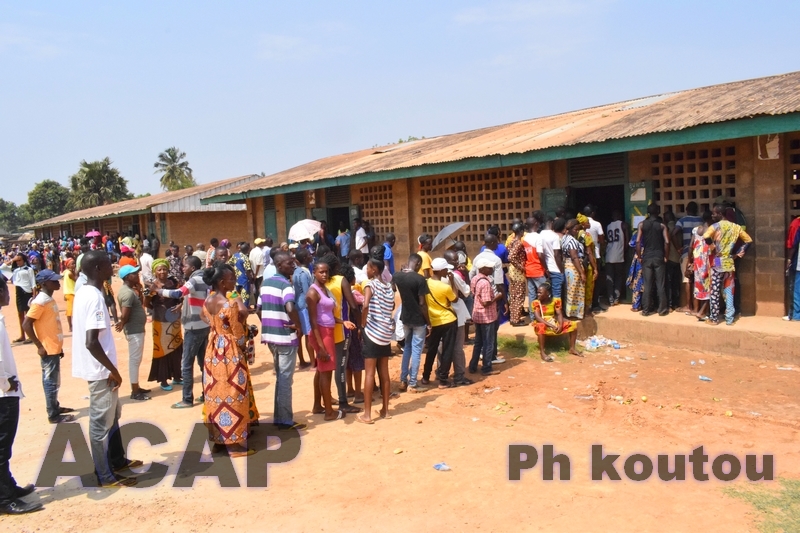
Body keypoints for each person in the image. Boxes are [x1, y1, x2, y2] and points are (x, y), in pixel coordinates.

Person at [71, 250, 141, 487]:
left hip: (101, 369)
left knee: (113, 418)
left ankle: (117, 460)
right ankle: (105, 474)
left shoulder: (85, 292)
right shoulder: (93, 297)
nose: (112, 268)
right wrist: (113, 370)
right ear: (97, 269)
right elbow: (91, 342)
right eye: (107, 265)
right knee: (101, 425)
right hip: (102, 372)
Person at [202, 263, 258, 456]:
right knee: (234, 393)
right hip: (229, 352)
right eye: (231, 279)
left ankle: (218, 440)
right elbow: (238, 333)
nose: (234, 281)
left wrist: (216, 330)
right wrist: (244, 343)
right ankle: (234, 445)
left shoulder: (208, 300)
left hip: (212, 351)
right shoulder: (230, 304)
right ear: (222, 282)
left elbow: (205, 318)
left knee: (215, 394)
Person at [0, 273, 43, 514]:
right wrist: (7, 385)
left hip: (5, 392)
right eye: (5, 289)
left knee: (4, 448)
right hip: (3, 396)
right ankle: (5, 499)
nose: (9, 292)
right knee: (1, 448)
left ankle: (9, 487)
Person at [152, 256, 210, 408]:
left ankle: (187, 399)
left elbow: (178, 293)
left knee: (186, 364)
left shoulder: (194, 280)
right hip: (204, 325)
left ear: (192, 267)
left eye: (184, 266)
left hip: (193, 327)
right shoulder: (205, 279)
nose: (182, 268)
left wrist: (158, 291)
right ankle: (207, 394)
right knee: (203, 362)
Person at [22, 269, 76, 423]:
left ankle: (55, 406)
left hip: (53, 346)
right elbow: (27, 324)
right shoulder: (40, 301)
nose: (57, 282)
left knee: (54, 380)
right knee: (50, 381)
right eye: (53, 281)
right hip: (47, 348)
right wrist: (39, 345)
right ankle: (53, 414)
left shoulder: (48, 299)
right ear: (44, 283)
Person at [260, 251, 306, 430]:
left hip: (270, 337)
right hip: (285, 337)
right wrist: (298, 325)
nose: (293, 265)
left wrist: (269, 323)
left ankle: (280, 416)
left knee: (281, 377)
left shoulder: (265, 283)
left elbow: (258, 308)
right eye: (289, 263)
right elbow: (289, 306)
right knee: (285, 379)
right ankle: (285, 420)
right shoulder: (286, 285)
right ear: (279, 266)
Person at [307, 262, 352, 422]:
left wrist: (342, 322)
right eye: (321, 272)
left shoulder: (324, 289)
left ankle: (318, 406)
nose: (325, 275)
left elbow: (328, 314)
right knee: (326, 372)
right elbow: (313, 321)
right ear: (314, 273)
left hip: (328, 331)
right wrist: (320, 347)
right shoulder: (313, 293)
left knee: (322, 371)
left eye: (326, 272)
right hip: (321, 334)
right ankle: (329, 412)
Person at [317, 254, 362, 414]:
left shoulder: (319, 283)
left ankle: (324, 401)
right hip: (341, 330)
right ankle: (343, 401)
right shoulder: (341, 280)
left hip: (324, 331)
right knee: (340, 367)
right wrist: (360, 325)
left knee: (325, 368)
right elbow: (353, 305)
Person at [356, 253, 395, 424]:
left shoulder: (369, 285)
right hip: (385, 333)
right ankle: (385, 410)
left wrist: (362, 324)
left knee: (370, 373)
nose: (366, 268)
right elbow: (391, 306)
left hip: (372, 333)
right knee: (384, 373)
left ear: (374, 269)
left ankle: (367, 414)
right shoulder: (388, 287)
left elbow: (365, 306)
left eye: (368, 266)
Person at [703, 205, 752, 326]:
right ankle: (729, 318)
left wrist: (713, 248)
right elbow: (748, 240)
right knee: (729, 290)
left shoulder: (715, 226)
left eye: (714, 213)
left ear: (720, 213)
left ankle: (714, 318)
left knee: (715, 289)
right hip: (730, 261)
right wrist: (739, 254)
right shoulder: (736, 227)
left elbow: (706, 236)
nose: (712, 215)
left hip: (718, 261)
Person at [144, 259, 183, 391]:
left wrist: (179, 305)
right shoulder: (152, 286)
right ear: (155, 271)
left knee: (176, 346)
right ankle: (164, 380)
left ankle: (177, 376)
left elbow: (180, 297)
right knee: (162, 350)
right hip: (160, 321)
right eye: (159, 269)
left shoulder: (173, 282)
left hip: (174, 321)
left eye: (164, 269)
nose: (162, 272)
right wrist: (158, 308)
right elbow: (147, 303)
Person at [394, 254, 431, 393]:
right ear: (418, 264)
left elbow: (392, 287)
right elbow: (422, 304)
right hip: (418, 320)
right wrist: (429, 323)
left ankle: (403, 380)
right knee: (416, 350)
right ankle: (413, 382)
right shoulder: (420, 279)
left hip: (405, 317)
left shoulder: (397, 276)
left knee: (407, 348)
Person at [114, 265, 150, 401]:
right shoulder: (127, 293)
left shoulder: (131, 291)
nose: (137, 274)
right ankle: (135, 391)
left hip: (137, 330)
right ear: (127, 277)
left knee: (137, 359)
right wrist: (122, 323)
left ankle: (137, 386)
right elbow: (125, 314)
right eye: (134, 273)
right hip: (134, 331)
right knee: (135, 360)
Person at [422, 258, 459, 387]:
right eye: (446, 269)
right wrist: (453, 281)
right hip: (448, 320)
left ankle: (426, 376)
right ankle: (443, 379)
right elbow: (455, 299)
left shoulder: (425, 283)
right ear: (442, 270)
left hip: (433, 321)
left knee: (431, 349)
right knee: (447, 350)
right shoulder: (445, 287)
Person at [469, 256, 504, 376]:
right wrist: (497, 297)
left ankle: (473, 365)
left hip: (477, 315)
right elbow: (486, 302)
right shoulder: (485, 283)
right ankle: (486, 368)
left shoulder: (475, 279)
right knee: (488, 342)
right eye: (489, 268)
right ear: (483, 269)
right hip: (487, 316)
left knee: (478, 342)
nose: (491, 269)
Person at [444, 250, 473, 386]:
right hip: (457, 314)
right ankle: (459, 376)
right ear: (448, 261)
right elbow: (466, 291)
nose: (457, 262)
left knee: (442, 345)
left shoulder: (434, 277)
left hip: (441, 315)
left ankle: (442, 374)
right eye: (454, 260)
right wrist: (465, 275)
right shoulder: (454, 276)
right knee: (457, 347)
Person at [531, 282, 580, 361]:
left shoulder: (555, 301)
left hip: (553, 322)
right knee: (541, 326)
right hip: (544, 323)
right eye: (537, 292)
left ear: (547, 293)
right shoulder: (536, 303)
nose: (538, 294)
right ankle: (542, 352)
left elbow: (559, 314)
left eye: (540, 292)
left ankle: (572, 348)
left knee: (573, 324)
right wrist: (551, 325)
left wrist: (560, 325)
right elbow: (538, 317)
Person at [636, 204, 670, 317]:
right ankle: (662, 310)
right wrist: (666, 256)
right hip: (659, 256)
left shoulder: (641, 225)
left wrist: (639, 256)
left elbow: (637, 242)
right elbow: (667, 242)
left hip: (647, 257)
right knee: (660, 284)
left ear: (648, 212)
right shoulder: (662, 226)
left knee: (647, 284)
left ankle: (646, 310)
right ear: (658, 211)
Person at [675, 202, 703, 313]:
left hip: (687, 252)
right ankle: (698, 307)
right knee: (698, 280)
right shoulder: (701, 221)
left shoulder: (682, 221)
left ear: (686, 209)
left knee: (687, 279)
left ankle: (688, 306)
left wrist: (678, 247)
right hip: (700, 255)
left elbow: (674, 232)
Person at [688, 211, 713, 320]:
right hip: (707, 260)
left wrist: (690, 261)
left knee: (699, 285)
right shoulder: (712, 230)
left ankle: (698, 310)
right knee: (709, 285)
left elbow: (690, 247)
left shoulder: (697, 230)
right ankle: (703, 312)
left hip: (697, 260)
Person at [559, 219, 586, 320]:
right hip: (574, 267)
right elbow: (574, 257)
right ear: (570, 229)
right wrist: (582, 273)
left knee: (569, 291)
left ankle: (569, 312)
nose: (577, 231)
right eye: (575, 229)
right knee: (575, 291)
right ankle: (574, 314)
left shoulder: (564, 238)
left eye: (578, 229)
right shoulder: (572, 241)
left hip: (567, 266)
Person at [292, 248, 314, 369]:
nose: (311, 256)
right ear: (305, 258)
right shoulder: (303, 273)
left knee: (300, 334)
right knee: (308, 334)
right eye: (308, 255)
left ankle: (302, 360)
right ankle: (312, 363)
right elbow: (307, 293)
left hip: (299, 305)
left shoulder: (297, 271)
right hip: (304, 307)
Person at [522, 215, 547, 319]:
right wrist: (546, 268)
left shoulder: (524, 238)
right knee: (544, 293)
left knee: (532, 295)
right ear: (536, 224)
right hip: (538, 270)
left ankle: (533, 317)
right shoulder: (538, 237)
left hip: (528, 270)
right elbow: (540, 255)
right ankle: (544, 316)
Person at [7, 254, 35, 344]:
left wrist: (34, 296)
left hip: (26, 292)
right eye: (17, 261)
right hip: (18, 292)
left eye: (19, 260)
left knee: (28, 315)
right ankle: (22, 335)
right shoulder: (15, 270)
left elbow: (33, 283)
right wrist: (12, 260)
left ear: (24, 260)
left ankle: (31, 336)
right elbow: (3, 268)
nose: (18, 262)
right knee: (20, 314)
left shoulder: (29, 269)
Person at [604, 210, 628, 306]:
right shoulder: (623, 225)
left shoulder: (608, 226)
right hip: (619, 255)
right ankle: (616, 298)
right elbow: (627, 241)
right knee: (618, 277)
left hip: (609, 255)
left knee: (609, 278)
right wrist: (625, 251)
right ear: (620, 215)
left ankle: (610, 299)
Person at [577, 214, 598, 316]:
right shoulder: (586, 235)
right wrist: (595, 268)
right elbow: (589, 252)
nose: (589, 224)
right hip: (587, 265)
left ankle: (579, 310)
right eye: (587, 222)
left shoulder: (575, 234)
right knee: (589, 287)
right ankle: (587, 310)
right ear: (583, 224)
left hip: (578, 264)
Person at [506, 222, 527, 326]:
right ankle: (516, 320)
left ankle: (513, 318)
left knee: (514, 295)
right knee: (519, 296)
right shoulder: (518, 243)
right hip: (518, 272)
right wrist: (521, 267)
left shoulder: (512, 241)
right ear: (521, 231)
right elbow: (511, 257)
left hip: (512, 271)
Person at [540, 217, 564, 298]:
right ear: (552, 223)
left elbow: (540, 254)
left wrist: (546, 268)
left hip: (546, 270)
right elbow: (557, 255)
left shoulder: (540, 235)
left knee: (547, 295)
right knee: (557, 295)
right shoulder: (555, 236)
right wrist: (561, 270)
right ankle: (557, 310)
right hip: (555, 268)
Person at [664, 211, 683, 311]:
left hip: (670, 258)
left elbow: (669, 239)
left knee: (669, 283)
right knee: (676, 282)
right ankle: (676, 303)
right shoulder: (678, 227)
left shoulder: (667, 228)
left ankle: (670, 305)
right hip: (678, 259)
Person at [627, 233, 644, 312]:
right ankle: (647, 305)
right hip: (651, 257)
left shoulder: (637, 235)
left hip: (639, 259)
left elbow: (632, 245)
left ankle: (636, 305)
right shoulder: (652, 234)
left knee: (637, 281)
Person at [250, 238, 267, 304]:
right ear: (260, 244)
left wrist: (253, 273)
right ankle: (259, 304)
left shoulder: (252, 251)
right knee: (259, 289)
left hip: (254, 273)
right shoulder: (260, 252)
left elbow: (250, 262)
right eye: (262, 243)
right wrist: (255, 274)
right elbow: (258, 265)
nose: (263, 244)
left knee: (256, 290)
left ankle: (256, 303)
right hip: (259, 274)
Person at [63, 258, 76, 332]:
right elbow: (76, 280)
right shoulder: (70, 273)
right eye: (72, 264)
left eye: (74, 264)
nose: (74, 265)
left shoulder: (66, 272)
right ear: (68, 265)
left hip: (69, 292)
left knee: (70, 310)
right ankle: (70, 326)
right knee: (70, 311)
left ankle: (71, 326)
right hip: (71, 293)